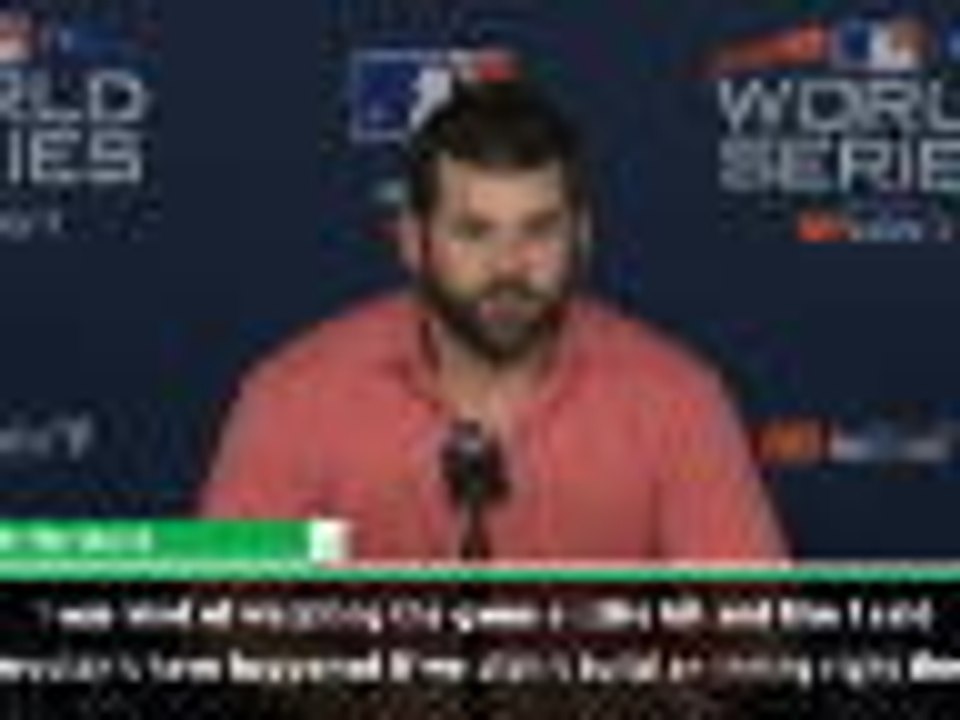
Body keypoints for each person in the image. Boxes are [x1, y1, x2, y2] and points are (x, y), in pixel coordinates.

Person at [199, 79, 787, 561]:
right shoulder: (293, 394)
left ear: (582, 238)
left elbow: (750, 633)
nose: (509, 265)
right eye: (474, 231)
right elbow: (228, 614)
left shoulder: (678, 397)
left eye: (539, 230)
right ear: (412, 240)